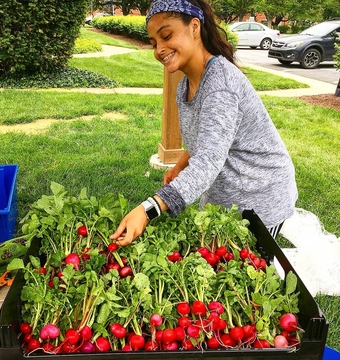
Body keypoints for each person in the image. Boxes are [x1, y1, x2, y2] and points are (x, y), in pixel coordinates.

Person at [110, 0, 298, 246]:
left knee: (249, 273)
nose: (159, 49)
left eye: (166, 35)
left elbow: (208, 161)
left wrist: (147, 210)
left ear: (195, 27)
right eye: (154, 42)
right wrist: (180, 167)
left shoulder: (221, 85)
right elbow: (205, 138)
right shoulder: (184, 87)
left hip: (260, 198)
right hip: (226, 198)